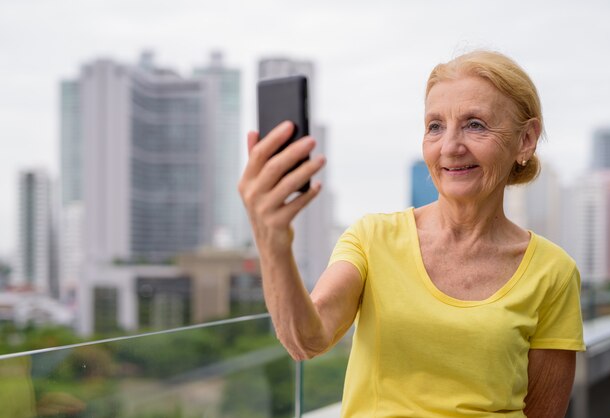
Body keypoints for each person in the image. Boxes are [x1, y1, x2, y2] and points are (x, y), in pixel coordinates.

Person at [238, 50, 585, 418]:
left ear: (525, 141)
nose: (450, 147)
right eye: (435, 126)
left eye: (475, 125)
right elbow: (306, 339)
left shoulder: (554, 273)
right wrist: (272, 242)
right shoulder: (372, 238)